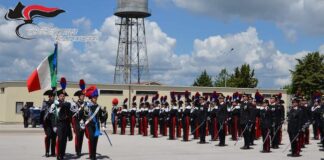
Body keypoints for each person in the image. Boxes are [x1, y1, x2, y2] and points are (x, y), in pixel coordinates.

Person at [80, 85, 108, 160]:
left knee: (95, 140)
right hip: (89, 125)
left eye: (96, 97)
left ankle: (93, 155)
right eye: (94, 97)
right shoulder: (86, 105)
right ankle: (91, 155)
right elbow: (81, 115)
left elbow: (102, 117)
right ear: (91, 98)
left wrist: (103, 123)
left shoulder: (99, 107)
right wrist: (82, 121)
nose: (96, 98)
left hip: (96, 126)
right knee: (91, 139)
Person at [51, 77, 72, 160]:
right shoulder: (54, 105)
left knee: (64, 140)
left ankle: (62, 154)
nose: (62, 97)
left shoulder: (67, 104)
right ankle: (58, 155)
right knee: (59, 139)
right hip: (59, 124)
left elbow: (69, 111)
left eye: (63, 96)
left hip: (66, 124)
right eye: (61, 96)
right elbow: (52, 116)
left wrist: (62, 105)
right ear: (58, 96)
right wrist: (54, 125)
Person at [72, 79, 86, 157]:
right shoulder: (75, 104)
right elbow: (74, 114)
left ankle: (80, 150)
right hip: (77, 122)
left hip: (83, 122)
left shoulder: (85, 104)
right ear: (79, 96)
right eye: (82, 96)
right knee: (78, 136)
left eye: (84, 95)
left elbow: (86, 114)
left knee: (82, 137)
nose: (83, 97)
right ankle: (77, 151)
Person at [40, 89, 56, 157]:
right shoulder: (45, 103)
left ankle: (53, 152)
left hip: (54, 123)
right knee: (48, 136)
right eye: (51, 96)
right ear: (49, 97)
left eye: (53, 96)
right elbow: (42, 113)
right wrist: (41, 122)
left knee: (54, 137)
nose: (52, 97)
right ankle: (47, 152)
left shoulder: (56, 104)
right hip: (47, 123)